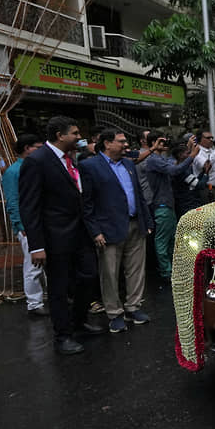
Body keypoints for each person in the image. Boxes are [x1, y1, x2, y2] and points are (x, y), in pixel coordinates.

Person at [19, 116, 106, 355]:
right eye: (75, 133)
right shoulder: (37, 162)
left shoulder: (71, 159)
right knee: (59, 288)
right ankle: (63, 336)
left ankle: (78, 323)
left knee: (88, 277)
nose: (79, 137)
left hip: (80, 235)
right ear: (60, 135)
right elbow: (30, 206)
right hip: (55, 238)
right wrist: (36, 246)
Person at [79, 130, 153, 334]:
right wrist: (95, 231)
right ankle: (115, 313)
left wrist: (146, 221)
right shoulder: (89, 166)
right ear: (107, 144)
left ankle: (133, 308)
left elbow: (138, 193)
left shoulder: (128, 164)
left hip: (135, 225)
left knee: (136, 270)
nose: (125, 145)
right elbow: (87, 203)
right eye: (121, 142)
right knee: (109, 273)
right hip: (107, 230)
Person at [144, 132, 200, 281]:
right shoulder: (153, 160)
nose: (165, 143)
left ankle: (170, 269)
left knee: (170, 240)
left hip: (168, 205)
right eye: (161, 141)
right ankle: (166, 272)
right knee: (162, 240)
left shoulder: (161, 159)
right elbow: (174, 170)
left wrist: (187, 150)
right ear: (153, 143)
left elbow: (174, 163)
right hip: (162, 205)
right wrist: (192, 156)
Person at [2, 134, 47, 316]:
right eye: (37, 147)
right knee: (33, 266)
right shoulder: (13, 172)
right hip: (28, 227)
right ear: (27, 148)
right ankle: (34, 304)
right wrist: (21, 227)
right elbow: (13, 201)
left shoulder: (36, 167)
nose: (41, 150)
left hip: (42, 222)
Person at [171, 142, 208, 215]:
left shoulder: (186, 168)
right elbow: (200, 185)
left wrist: (203, 172)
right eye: (188, 153)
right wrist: (206, 173)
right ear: (180, 155)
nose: (190, 155)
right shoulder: (182, 172)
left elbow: (194, 181)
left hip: (190, 203)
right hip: (187, 205)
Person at [192, 129, 215, 202]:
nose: (211, 140)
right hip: (208, 189)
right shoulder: (198, 152)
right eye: (208, 138)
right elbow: (207, 165)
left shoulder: (212, 150)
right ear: (200, 139)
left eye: (212, 138)